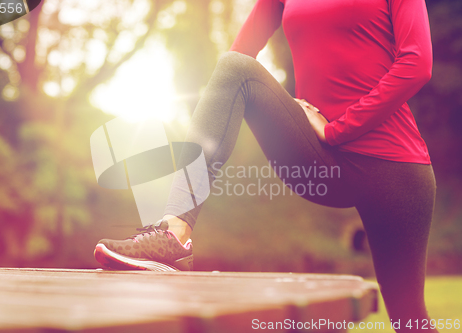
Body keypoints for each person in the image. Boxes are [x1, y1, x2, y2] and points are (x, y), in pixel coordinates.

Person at [94, 0, 437, 330]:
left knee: (409, 321)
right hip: (323, 159)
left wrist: (338, 128)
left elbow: (417, 63)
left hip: (396, 170)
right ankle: (175, 232)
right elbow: (238, 61)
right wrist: (286, 107)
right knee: (233, 67)